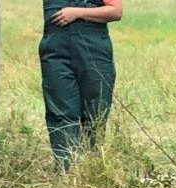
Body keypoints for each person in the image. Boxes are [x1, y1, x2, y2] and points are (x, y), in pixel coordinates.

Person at [41, 0, 122, 171]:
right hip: (55, 48)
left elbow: (116, 11)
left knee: (96, 110)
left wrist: (77, 13)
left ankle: (90, 168)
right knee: (60, 112)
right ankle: (65, 171)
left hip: (92, 45)